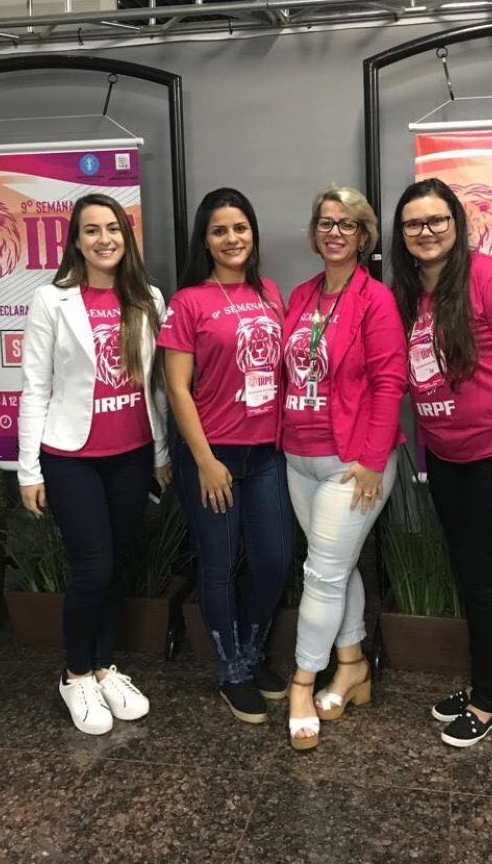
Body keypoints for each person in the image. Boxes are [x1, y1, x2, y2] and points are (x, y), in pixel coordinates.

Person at [390, 177, 492, 748]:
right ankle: (485, 681)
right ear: (402, 233)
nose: (426, 231)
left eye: (436, 219)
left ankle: (488, 699)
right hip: (447, 458)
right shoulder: (409, 294)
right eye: (414, 223)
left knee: (483, 575)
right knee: (470, 571)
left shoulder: (488, 277)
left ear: (456, 224)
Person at [18, 193, 171, 736]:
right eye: (91, 230)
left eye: (113, 228)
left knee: (116, 563)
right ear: (76, 241)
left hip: (131, 454)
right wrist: (29, 470)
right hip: (71, 457)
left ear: (126, 237)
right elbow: (34, 387)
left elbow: (154, 385)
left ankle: (105, 667)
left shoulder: (147, 297)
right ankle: (76, 673)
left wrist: (159, 453)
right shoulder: (51, 300)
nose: (104, 239)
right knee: (93, 567)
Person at [159, 187, 294, 724]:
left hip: (266, 454)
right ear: (205, 240)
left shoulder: (271, 293)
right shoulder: (187, 302)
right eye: (220, 230)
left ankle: (252, 654)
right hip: (212, 456)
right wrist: (205, 460)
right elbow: (176, 388)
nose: (232, 238)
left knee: (274, 560)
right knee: (217, 565)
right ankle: (231, 671)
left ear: (253, 233)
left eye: (240, 228)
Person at [282, 184, 407, 750]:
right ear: (315, 232)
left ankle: (303, 682)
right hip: (297, 457)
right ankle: (353, 664)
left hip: (351, 463)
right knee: (336, 565)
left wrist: (374, 461)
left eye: (347, 224)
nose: (335, 232)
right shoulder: (301, 295)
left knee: (321, 574)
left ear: (363, 237)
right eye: (326, 222)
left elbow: (390, 382)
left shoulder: (374, 300)